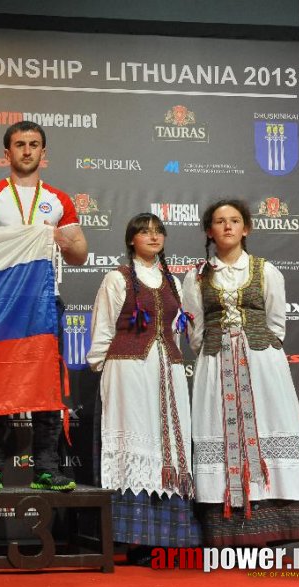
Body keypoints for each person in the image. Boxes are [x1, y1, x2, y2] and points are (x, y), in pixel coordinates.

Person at [182, 199, 299, 546]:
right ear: (209, 231)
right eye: (220, 221)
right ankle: (226, 526)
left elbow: (276, 325)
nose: (227, 226)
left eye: (235, 220)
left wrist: (253, 350)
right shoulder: (196, 276)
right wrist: (219, 351)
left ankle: (281, 521)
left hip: (262, 364)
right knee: (219, 433)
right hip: (215, 365)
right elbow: (195, 333)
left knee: (268, 426)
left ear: (246, 228)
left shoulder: (265, 270)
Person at [0, 120, 88, 491]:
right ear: (7, 153)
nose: (27, 150)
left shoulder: (59, 200)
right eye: (19, 144)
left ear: (43, 153)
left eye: (34, 144)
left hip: (45, 301)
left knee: (48, 385)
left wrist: (57, 237)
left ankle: (47, 469)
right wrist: (13, 239)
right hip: (0, 303)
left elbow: (81, 254)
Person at [86, 213, 201, 565]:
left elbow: (177, 330)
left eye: (158, 232)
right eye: (144, 232)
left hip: (166, 370)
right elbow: (104, 328)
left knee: (168, 444)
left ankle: (169, 537)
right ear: (131, 240)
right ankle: (134, 538)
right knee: (136, 439)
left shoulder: (174, 282)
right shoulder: (116, 278)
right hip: (129, 371)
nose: (152, 237)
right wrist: (102, 366)